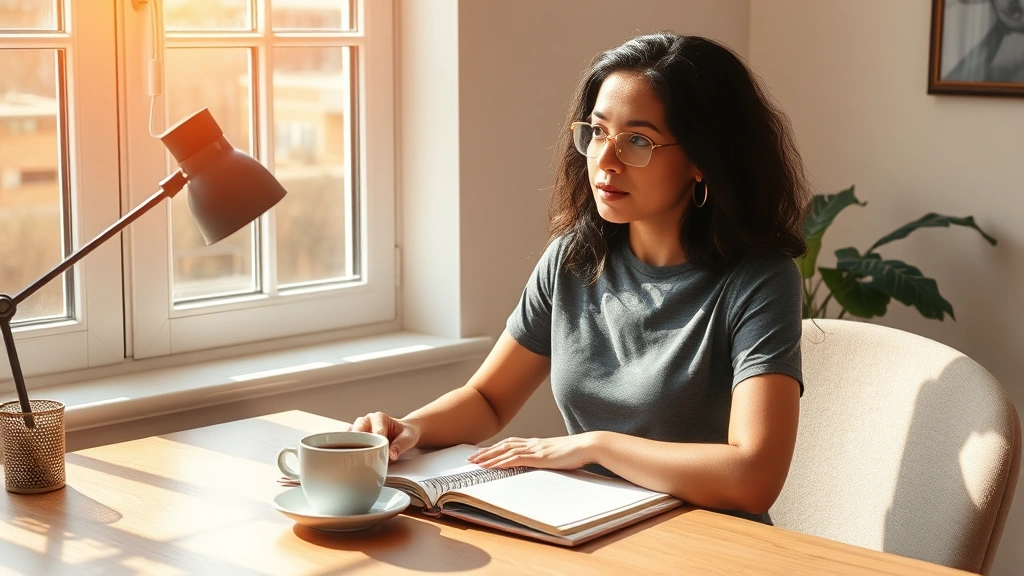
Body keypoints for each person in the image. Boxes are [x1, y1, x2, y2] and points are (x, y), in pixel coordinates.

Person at [349, 32, 809, 521]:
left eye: (638, 141)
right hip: (586, 529)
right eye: (597, 131)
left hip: (710, 545)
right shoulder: (573, 258)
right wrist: (411, 428)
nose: (605, 161)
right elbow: (486, 399)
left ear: (701, 160)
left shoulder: (760, 281)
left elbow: (753, 478)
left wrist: (597, 447)